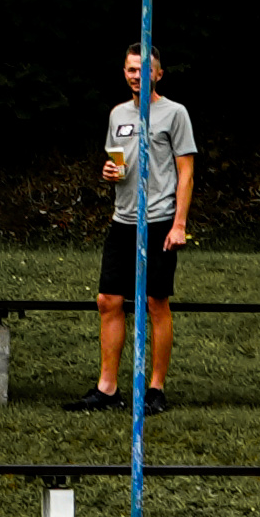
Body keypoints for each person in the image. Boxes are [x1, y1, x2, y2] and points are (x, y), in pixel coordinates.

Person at [71, 46, 204, 414]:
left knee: (154, 302)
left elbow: (186, 172)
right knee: (108, 300)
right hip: (123, 219)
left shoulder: (174, 114)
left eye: (143, 70)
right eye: (131, 69)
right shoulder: (118, 114)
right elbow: (120, 164)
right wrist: (111, 172)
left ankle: (155, 389)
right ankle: (108, 388)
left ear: (158, 74)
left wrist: (180, 225)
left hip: (160, 221)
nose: (136, 76)